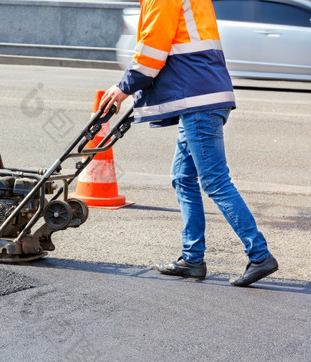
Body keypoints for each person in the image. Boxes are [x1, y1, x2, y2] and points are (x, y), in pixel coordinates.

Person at [99, 0, 277, 287]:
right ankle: (192, 258)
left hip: (199, 102)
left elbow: (153, 50)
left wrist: (123, 88)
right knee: (182, 178)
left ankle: (259, 254)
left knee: (215, 181)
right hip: (204, 97)